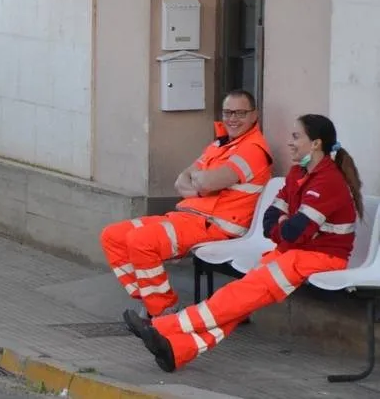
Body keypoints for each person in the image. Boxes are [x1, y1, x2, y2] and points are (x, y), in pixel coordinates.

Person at [125, 113, 362, 372]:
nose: (290, 142)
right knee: (241, 299)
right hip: (294, 252)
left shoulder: (328, 181)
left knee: (241, 295)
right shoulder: (298, 173)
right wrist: (284, 226)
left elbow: (295, 231)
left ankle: (162, 327)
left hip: (320, 258)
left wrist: (284, 226)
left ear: (315, 144)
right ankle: (178, 351)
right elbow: (270, 222)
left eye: (296, 136)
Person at [100, 89, 273, 326]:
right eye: (228, 112)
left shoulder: (253, 149)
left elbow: (205, 180)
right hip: (188, 217)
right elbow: (181, 180)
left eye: (240, 113)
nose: (232, 118)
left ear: (255, 116)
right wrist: (199, 183)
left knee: (142, 241)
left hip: (215, 226)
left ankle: (164, 312)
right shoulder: (220, 144)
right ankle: (151, 302)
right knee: (113, 236)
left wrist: (199, 181)